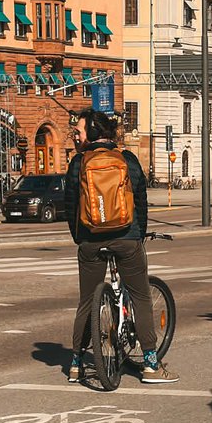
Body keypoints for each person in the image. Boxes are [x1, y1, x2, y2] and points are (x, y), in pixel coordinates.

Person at [64, 109, 179, 384]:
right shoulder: (127, 160)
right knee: (140, 297)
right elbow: (140, 199)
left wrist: (80, 238)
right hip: (127, 238)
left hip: (91, 241)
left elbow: (70, 206)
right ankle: (151, 364)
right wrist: (137, 234)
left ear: (91, 134)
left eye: (78, 131)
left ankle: (77, 363)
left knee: (86, 302)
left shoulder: (78, 163)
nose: (75, 136)